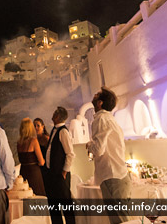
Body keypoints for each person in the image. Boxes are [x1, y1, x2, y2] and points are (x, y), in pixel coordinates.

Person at [86, 87, 131, 224]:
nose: (94, 95)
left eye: (97, 95)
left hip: (112, 176)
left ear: (100, 103)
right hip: (119, 174)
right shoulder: (110, 119)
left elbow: (98, 149)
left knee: (119, 221)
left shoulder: (100, 120)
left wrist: (89, 145)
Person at [43, 107, 75, 224]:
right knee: (54, 206)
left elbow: (70, 154)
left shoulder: (63, 131)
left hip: (60, 176)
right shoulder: (54, 130)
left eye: (54, 112)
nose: (53, 114)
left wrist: (64, 172)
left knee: (66, 205)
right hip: (52, 175)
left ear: (57, 116)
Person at [17, 118, 46, 196]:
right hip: (34, 173)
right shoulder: (33, 141)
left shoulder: (19, 143)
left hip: (23, 172)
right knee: (37, 198)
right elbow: (42, 162)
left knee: (25, 197)